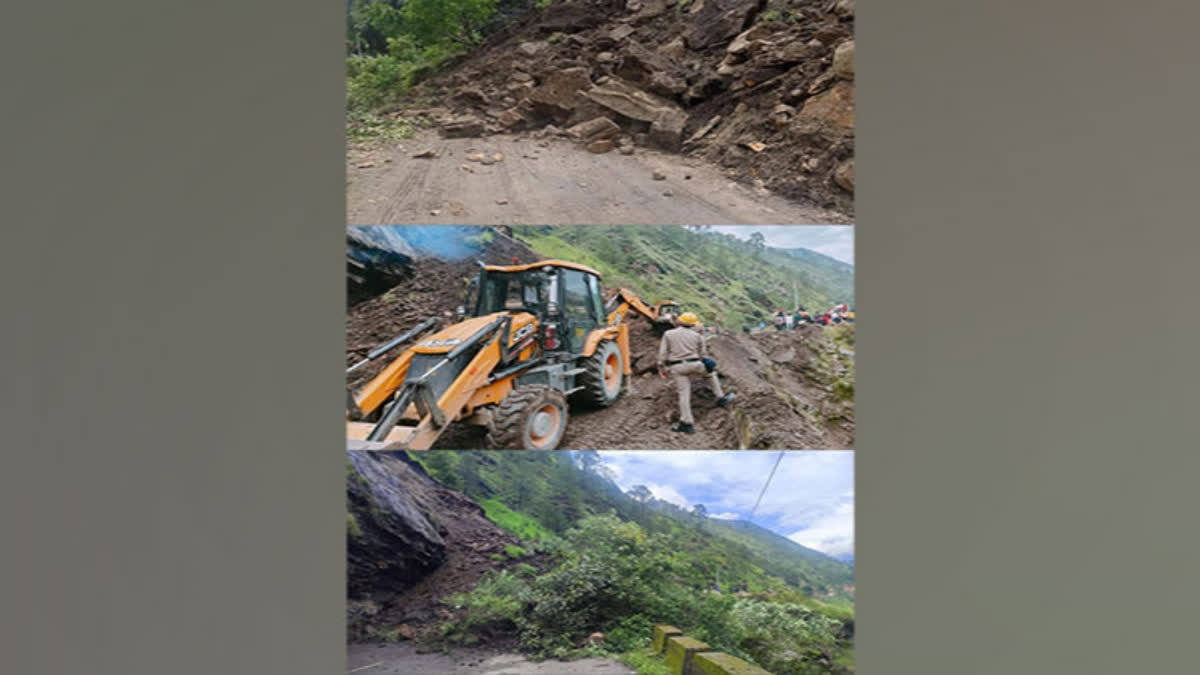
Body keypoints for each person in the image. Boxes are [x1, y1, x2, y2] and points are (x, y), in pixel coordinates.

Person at [658, 312, 734, 433]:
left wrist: (661, 367)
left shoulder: (668, 334)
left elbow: (662, 354)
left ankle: (687, 423)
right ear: (693, 324)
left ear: (680, 321)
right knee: (711, 373)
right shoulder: (698, 336)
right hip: (695, 364)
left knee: (684, 394)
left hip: (677, 367)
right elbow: (703, 355)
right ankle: (721, 397)